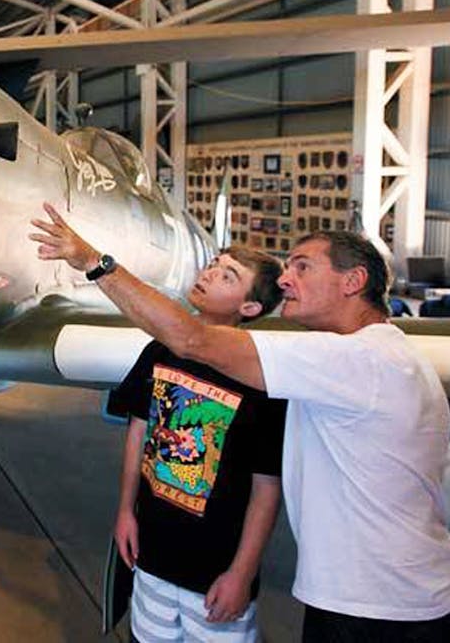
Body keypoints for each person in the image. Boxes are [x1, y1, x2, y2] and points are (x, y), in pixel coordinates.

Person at [32, 204, 450, 643]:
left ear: (353, 282)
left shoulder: (359, 358)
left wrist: (93, 261)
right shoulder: (361, 356)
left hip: (384, 612)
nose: (285, 279)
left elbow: (191, 339)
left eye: (302, 267)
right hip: (383, 599)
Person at [107, 246, 287, 643]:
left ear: (252, 308)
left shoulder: (263, 379)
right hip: (152, 555)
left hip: (214, 570)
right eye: (213, 266)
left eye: (229, 276)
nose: (209, 274)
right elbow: (138, 430)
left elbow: (267, 485)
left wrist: (242, 572)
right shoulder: (158, 351)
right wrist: (125, 511)